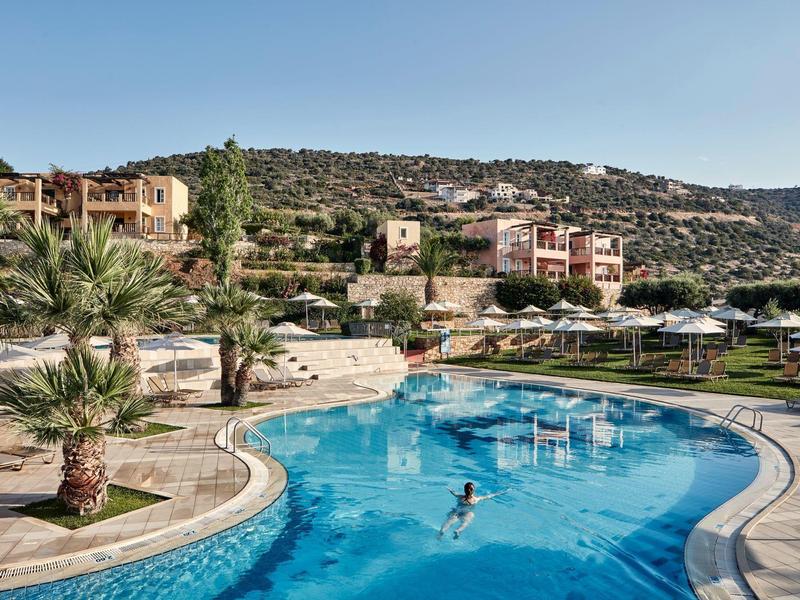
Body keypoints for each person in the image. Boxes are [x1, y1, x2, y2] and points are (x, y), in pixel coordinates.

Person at [438, 482, 507, 539]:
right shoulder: (476, 499)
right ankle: (458, 530)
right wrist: (499, 493)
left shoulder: (460, 496)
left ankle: (443, 531)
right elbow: (489, 496)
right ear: (473, 490)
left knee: (448, 522)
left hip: (457, 512)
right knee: (466, 522)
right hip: (467, 513)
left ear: (464, 490)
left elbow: (454, 493)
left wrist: (449, 489)